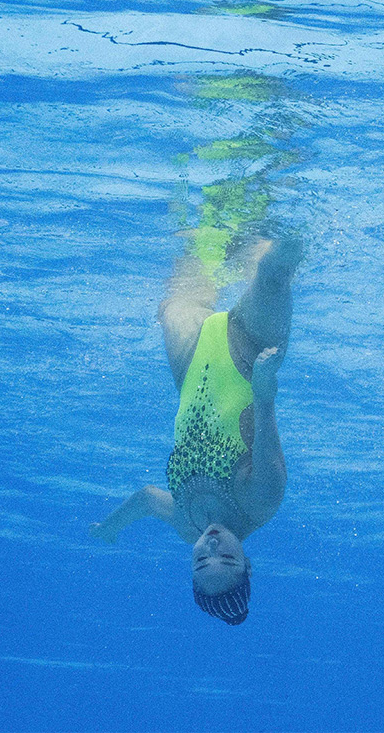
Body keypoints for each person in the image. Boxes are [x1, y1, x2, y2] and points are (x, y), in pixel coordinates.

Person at [90, 236, 302, 624]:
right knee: (274, 269)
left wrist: (110, 528)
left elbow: (146, 499)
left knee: (176, 296)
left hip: (191, 367)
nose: (212, 545)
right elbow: (266, 406)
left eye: (202, 561)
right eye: (227, 557)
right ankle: (287, 211)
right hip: (248, 354)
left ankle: (212, 228)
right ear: (247, 563)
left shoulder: (188, 526)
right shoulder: (262, 500)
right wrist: (265, 377)